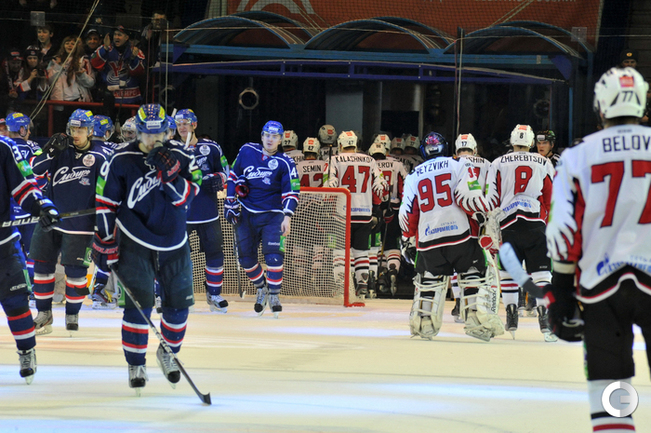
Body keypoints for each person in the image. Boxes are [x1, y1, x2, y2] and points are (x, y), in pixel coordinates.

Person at [545, 66, 651, 433]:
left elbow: (564, 228)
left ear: (600, 106)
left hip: (600, 286)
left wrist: (561, 290)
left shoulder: (578, 155)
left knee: (611, 394)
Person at [93, 103, 200, 392]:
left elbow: (188, 197)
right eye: (148, 134)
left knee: (179, 307)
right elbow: (105, 203)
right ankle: (136, 363)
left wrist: (171, 175)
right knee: (138, 307)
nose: (154, 140)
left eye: (159, 134)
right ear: (138, 132)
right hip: (134, 241)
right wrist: (105, 238)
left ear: (167, 131)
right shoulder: (119, 159)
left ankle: (168, 353)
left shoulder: (183, 156)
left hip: (174, 241)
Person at [399, 132, 502, 342]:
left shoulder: (414, 175)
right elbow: (469, 198)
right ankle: (476, 321)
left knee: (428, 281)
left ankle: (424, 323)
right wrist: (484, 220)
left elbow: (408, 214)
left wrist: (408, 238)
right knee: (473, 275)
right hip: (461, 235)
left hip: (428, 239)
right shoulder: (459, 164)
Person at [30, 109, 109, 335]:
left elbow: (107, 190)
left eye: (81, 129)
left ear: (90, 131)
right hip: (50, 219)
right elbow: (34, 170)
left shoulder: (100, 156)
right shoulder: (59, 149)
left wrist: (102, 219)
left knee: (76, 273)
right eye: (73, 128)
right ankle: (44, 314)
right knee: (42, 267)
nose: (76, 133)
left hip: (80, 224)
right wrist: (50, 152)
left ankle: (72, 313)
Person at [485, 124, 556, 341]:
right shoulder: (543, 162)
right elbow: (550, 196)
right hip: (535, 223)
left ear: (512, 140)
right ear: (532, 142)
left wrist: (492, 223)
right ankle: (544, 317)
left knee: (508, 273)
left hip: (508, 224)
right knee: (542, 274)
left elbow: (492, 198)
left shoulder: (498, 162)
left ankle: (511, 314)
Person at [0, 134, 59, 384]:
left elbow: (24, 185)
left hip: (3, 244)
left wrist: (41, 206)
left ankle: (26, 351)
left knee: (16, 303)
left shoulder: (4, 147)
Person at [225, 120, 299, 317]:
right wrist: (230, 201)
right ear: (262, 136)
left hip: (273, 216)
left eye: (274, 136)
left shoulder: (286, 162)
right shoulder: (247, 150)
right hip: (247, 214)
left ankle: (274, 296)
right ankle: (261, 288)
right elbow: (233, 175)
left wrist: (287, 216)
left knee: (274, 257)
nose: (270, 139)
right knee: (246, 260)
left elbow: (292, 192)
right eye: (267, 135)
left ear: (280, 140)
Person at [174, 108, 230, 313]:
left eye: (185, 123)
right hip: (180, 214)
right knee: (175, 256)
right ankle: (174, 295)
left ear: (195, 125)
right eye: (178, 124)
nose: (182, 127)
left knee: (215, 253)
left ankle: (214, 294)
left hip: (208, 213)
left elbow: (226, 172)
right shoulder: (170, 149)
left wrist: (217, 178)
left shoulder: (211, 147)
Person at [325, 130, 387, 297]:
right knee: (361, 252)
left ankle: (342, 286)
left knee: (340, 252)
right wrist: (376, 207)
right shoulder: (370, 160)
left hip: (341, 214)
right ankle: (362, 285)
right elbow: (380, 188)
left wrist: (328, 207)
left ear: (340, 144)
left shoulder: (334, 159)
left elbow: (329, 186)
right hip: (364, 213)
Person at [448, 133, 492, 321]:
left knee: (456, 262)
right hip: (478, 218)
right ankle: (474, 303)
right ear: (474, 149)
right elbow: (491, 191)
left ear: (456, 149)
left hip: (454, 218)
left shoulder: (450, 163)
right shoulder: (487, 164)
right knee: (476, 264)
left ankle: (458, 301)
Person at [5, 112, 43, 285]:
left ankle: (15, 286)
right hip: (29, 208)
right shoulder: (34, 148)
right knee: (32, 251)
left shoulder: (3, 148)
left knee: (9, 253)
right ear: (22, 129)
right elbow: (42, 178)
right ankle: (32, 287)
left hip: (8, 212)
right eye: (27, 129)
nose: (29, 132)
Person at [368, 133, 407, 296]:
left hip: (373, 209)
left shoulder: (368, 163)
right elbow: (406, 186)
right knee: (391, 244)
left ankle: (376, 276)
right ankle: (391, 271)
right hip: (394, 209)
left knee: (374, 245)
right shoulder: (397, 164)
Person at [90, 25, 146, 106]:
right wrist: (104, 49)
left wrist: (134, 59)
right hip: (109, 97)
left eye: (119, 35)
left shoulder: (135, 51)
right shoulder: (105, 48)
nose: (116, 37)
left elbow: (140, 72)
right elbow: (94, 63)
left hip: (130, 97)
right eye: (115, 34)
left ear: (126, 37)